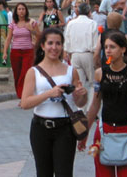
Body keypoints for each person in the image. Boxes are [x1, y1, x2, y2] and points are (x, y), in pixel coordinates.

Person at [80, 31, 127, 177]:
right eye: (106, 47)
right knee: (103, 174)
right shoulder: (100, 73)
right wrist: (84, 132)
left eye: (112, 47)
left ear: (123, 49)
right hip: (104, 131)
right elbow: (94, 105)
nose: (108, 50)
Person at [20, 27, 88, 177]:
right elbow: (25, 103)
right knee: (43, 173)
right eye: (50, 43)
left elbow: (80, 103)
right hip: (40, 128)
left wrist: (82, 94)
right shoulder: (34, 72)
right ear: (43, 46)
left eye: (58, 43)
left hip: (65, 128)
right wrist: (49, 93)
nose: (54, 47)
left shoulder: (71, 71)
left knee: (64, 172)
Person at [2, 3, 39, 100]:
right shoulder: (13, 24)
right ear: (16, 11)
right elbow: (8, 38)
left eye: (23, 9)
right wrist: (5, 52)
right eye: (19, 9)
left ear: (26, 11)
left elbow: (39, 36)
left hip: (28, 51)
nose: (21, 11)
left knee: (25, 74)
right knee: (17, 75)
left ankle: (24, 96)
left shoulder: (31, 22)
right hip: (15, 51)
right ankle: (20, 94)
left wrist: (32, 30)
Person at [65, 3, 99, 106]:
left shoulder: (71, 23)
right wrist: (96, 58)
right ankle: (90, 107)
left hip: (75, 54)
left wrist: (68, 53)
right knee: (93, 82)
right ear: (89, 11)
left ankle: (81, 108)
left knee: (80, 82)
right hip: (88, 53)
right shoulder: (92, 23)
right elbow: (95, 42)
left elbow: (67, 40)